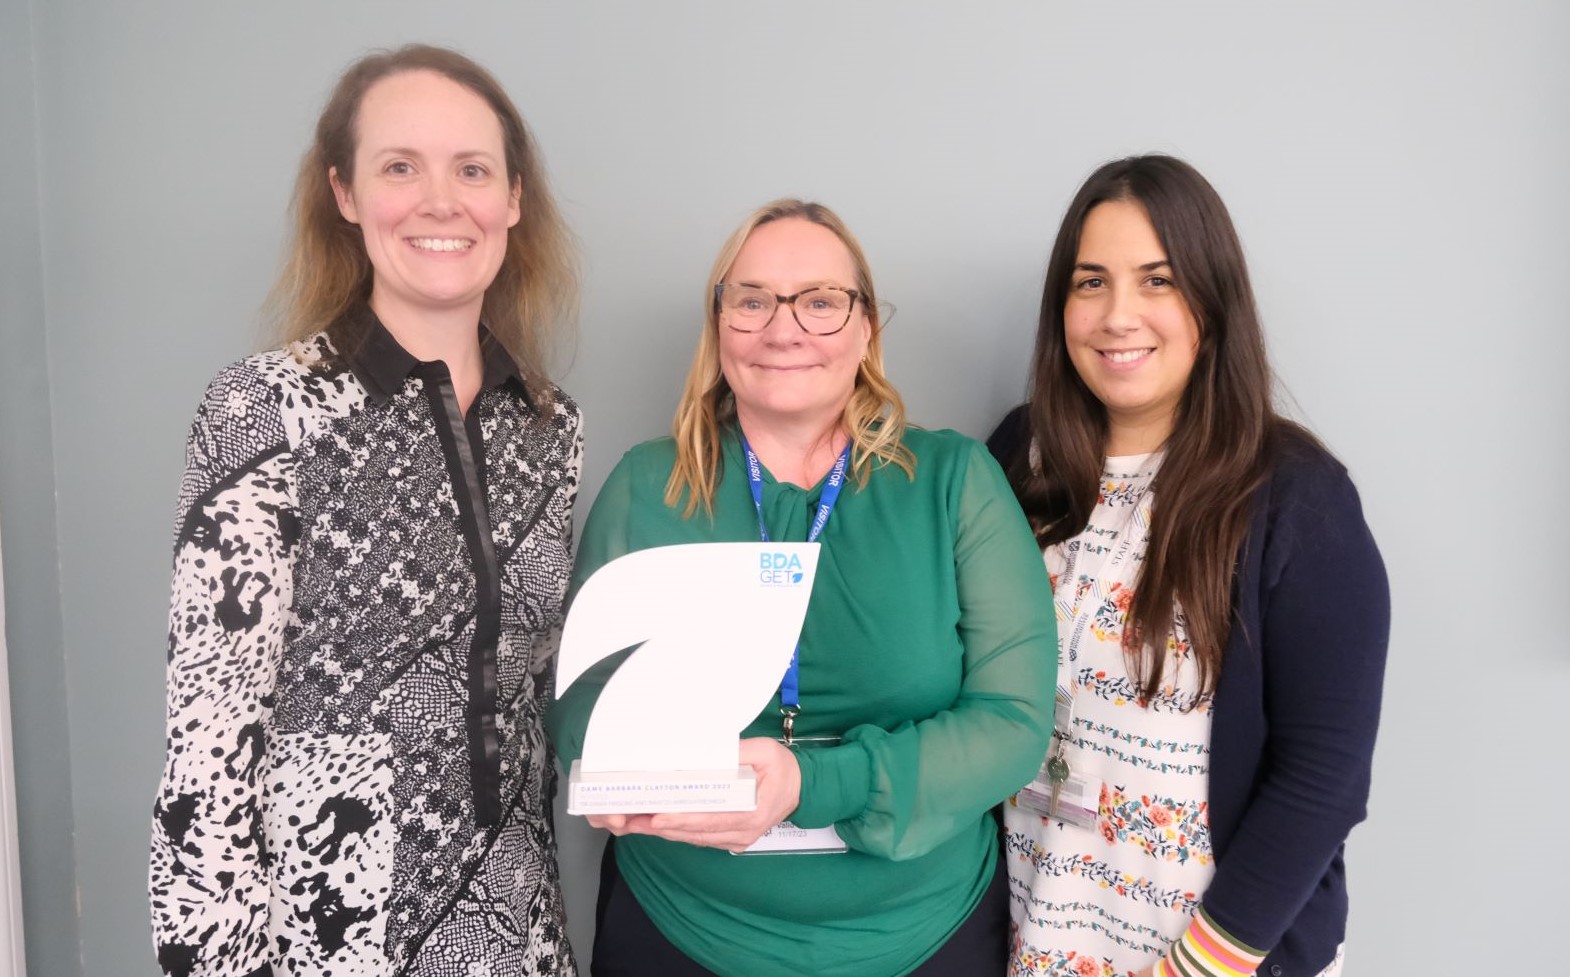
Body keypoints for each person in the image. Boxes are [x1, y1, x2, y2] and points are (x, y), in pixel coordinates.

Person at [149, 45, 582, 976]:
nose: (440, 199)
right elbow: (208, 742)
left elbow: (532, 706)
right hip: (323, 935)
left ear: (512, 198)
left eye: (472, 169)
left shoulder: (551, 429)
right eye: (400, 167)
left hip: (516, 926)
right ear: (345, 193)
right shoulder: (261, 412)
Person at [547, 199, 1056, 977]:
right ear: (719, 325)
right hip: (681, 931)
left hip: (919, 936)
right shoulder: (646, 487)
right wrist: (608, 769)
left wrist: (811, 781)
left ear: (865, 329)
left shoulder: (953, 483)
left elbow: (1013, 721)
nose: (784, 329)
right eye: (751, 300)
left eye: (820, 301)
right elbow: (582, 697)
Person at [988, 155, 1389, 977]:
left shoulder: (1297, 499)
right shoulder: (1019, 458)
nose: (1117, 315)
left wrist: (1200, 968)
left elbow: (1323, 779)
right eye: (1090, 281)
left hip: (1215, 957)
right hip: (1036, 939)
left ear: (1212, 299)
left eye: (1158, 280)